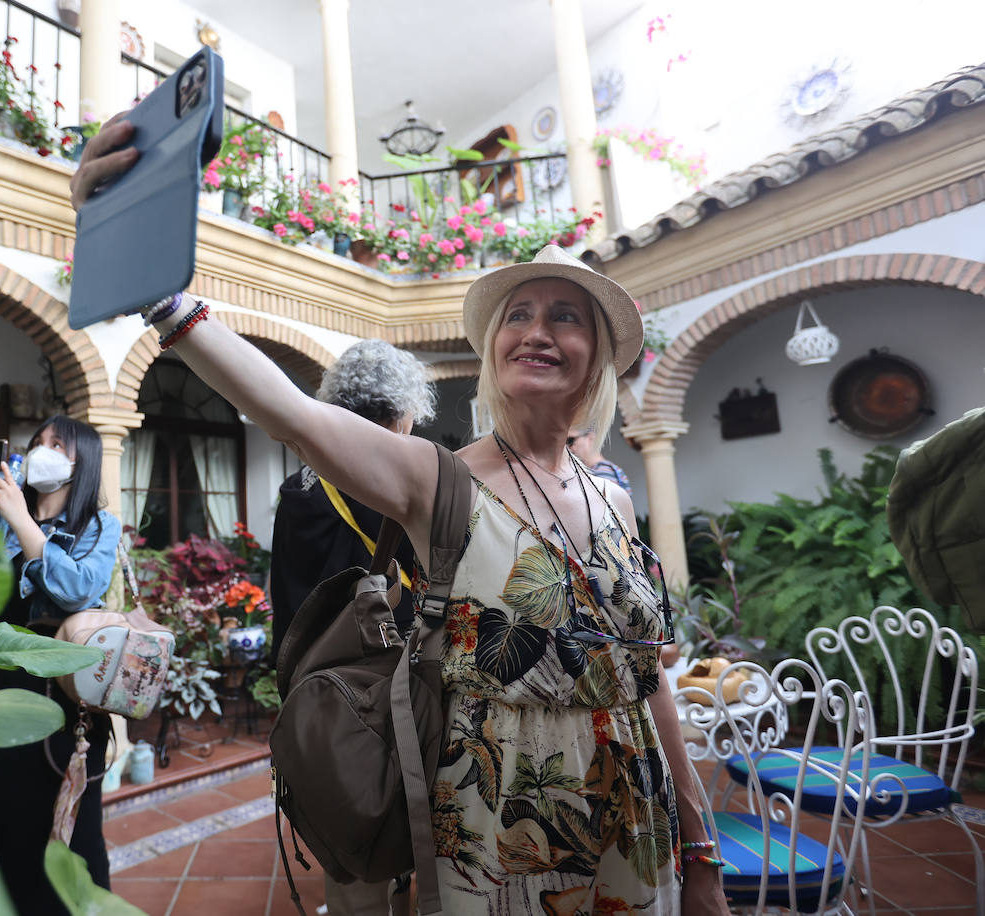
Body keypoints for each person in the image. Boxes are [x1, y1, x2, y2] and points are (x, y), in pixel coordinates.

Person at [73, 117, 729, 915]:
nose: (536, 331)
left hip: (634, 816)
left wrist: (700, 851)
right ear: (492, 351)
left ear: (597, 356)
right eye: (517, 315)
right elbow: (293, 414)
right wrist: (158, 293)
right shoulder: (438, 480)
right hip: (500, 826)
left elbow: (648, 676)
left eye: (565, 316)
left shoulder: (613, 496)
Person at [268, 339, 436, 916]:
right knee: (422, 815)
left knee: (348, 814)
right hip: (400, 676)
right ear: (399, 412)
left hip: (321, 678)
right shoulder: (406, 485)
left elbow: (285, 593)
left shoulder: (299, 492)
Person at [0, 417, 122, 912]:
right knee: (3, 832)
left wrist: (23, 520)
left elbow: (78, 588)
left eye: (56, 444)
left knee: (70, 839)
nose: (42, 451)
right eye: (37, 443)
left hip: (64, 707)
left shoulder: (98, 527)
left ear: (81, 460)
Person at [270, 339, 436, 661]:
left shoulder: (299, 484)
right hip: (391, 654)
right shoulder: (408, 480)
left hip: (316, 659)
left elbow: (285, 584)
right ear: (403, 410)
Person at [568, 426, 633, 495]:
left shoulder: (602, 472)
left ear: (590, 438)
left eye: (570, 440)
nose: (566, 447)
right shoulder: (603, 470)